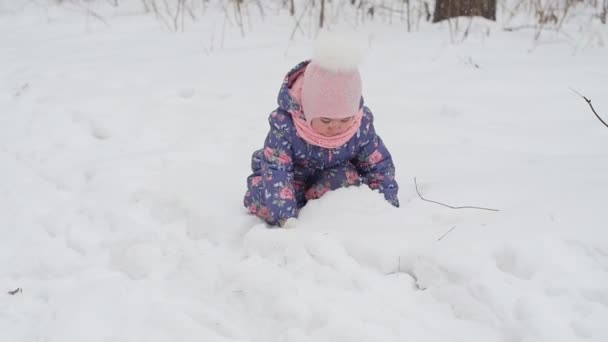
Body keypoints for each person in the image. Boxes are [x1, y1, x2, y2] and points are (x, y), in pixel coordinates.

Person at [243, 32, 399, 227]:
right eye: (325, 120)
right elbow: (276, 169)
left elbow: (378, 165)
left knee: (348, 179)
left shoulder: (360, 125)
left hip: (330, 180)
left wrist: (385, 204)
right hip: (291, 180)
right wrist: (286, 217)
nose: (335, 126)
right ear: (308, 110)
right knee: (261, 197)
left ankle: (321, 211)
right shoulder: (285, 125)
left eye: (344, 119)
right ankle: (296, 211)